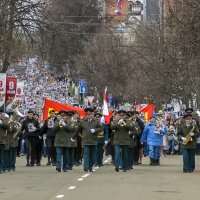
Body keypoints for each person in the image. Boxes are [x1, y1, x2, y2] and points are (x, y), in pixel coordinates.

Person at [71, 108, 103, 172]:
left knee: (92, 155)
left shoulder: (96, 121)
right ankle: (86, 167)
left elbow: (101, 128)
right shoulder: (82, 122)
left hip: (93, 140)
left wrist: (95, 130)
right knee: (86, 154)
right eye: (87, 114)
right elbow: (77, 130)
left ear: (92, 114)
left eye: (90, 114)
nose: (89, 115)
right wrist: (73, 137)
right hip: (85, 140)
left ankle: (90, 167)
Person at [0, 109, 12, 173]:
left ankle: (1, 168)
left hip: (2, 140)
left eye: (0, 114)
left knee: (2, 156)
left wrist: (1, 123)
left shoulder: (5, 120)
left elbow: (8, 127)